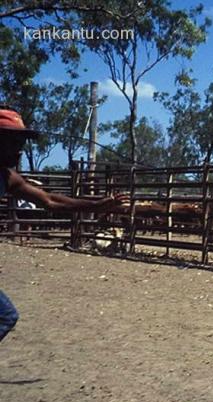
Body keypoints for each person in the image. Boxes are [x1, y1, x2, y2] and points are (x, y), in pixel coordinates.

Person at [0, 107, 127, 342]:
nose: (20, 149)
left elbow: (50, 200)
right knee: (5, 316)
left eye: (22, 141)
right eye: (14, 141)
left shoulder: (7, 178)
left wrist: (97, 205)